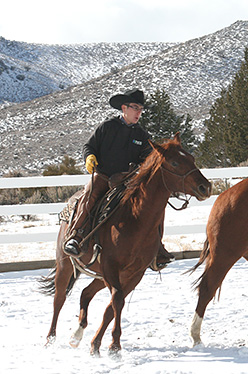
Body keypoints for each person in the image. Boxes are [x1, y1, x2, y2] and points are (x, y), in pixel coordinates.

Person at [63, 88, 174, 270]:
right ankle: (76, 237)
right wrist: (89, 157)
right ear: (124, 108)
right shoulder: (107, 127)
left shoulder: (142, 136)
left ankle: (156, 248)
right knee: (89, 197)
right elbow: (89, 146)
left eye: (141, 109)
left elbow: (147, 160)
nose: (138, 112)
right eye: (135, 108)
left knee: (153, 206)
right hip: (103, 177)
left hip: (127, 183)